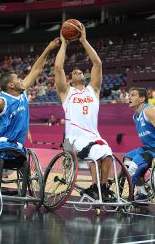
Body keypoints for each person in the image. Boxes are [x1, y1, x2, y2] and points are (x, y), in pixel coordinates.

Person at [54, 24, 113, 200]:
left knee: (108, 153)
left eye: (80, 70)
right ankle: (95, 186)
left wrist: (84, 41)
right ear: (70, 79)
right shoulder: (66, 93)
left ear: (84, 77)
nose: (77, 71)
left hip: (94, 136)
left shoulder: (93, 89)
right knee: (95, 152)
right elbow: (58, 68)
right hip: (75, 139)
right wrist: (64, 44)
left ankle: (101, 187)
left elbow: (98, 63)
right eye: (73, 71)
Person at [0, 38, 59, 160]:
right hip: (2, 146)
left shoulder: (22, 94)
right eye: (18, 79)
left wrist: (49, 48)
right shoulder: (1, 101)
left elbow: (36, 70)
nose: (21, 80)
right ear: (11, 85)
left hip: (18, 147)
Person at [123, 87, 155, 200]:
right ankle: (142, 193)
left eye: (133, 95)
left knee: (135, 163)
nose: (129, 97)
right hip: (147, 148)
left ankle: (132, 194)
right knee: (127, 158)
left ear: (141, 99)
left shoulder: (149, 110)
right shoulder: (135, 116)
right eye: (129, 95)